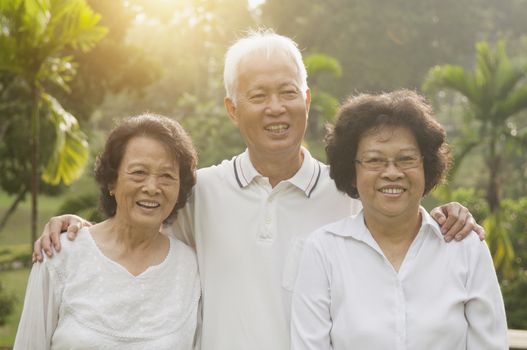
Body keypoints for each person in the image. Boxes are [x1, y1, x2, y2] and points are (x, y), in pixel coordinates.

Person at [33, 30, 484, 350]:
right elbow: (134, 222)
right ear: (232, 108)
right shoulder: (198, 194)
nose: (276, 108)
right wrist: (74, 227)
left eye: (287, 92)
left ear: (306, 100)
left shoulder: (352, 192)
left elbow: (404, 226)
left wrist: (449, 214)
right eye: (257, 95)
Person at [291, 90, 507, 349]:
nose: (392, 173)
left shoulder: (465, 246)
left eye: (406, 159)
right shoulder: (324, 250)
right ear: (352, 172)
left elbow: (490, 344)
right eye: (375, 160)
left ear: (426, 168)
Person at [15, 114, 200, 349]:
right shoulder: (59, 255)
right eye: (139, 172)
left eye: (167, 176)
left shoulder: (192, 270)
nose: (152, 187)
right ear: (112, 181)